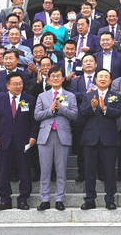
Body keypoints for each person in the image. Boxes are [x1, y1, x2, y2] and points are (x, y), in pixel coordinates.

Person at [0, 72, 37, 211]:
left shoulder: (30, 99)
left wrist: (33, 136)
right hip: (4, 141)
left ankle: (23, 199)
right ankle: (5, 200)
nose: (18, 86)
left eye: (20, 83)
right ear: (7, 85)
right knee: (3, 172)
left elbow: (34, 122)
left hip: (24, 142)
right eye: (15, 84)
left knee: (24, 172)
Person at [34, 67, 79, 211]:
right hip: (45, 136)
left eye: (58, 76)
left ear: (63, 78)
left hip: (62, 135)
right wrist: (51, 110)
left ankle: (60, 199)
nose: (55, 78)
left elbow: (74, 115)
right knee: (45, 170)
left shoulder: (70, 96)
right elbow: (37, 116)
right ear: (48, 79)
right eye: (52, 76)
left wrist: (61, 109)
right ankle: (45, 199)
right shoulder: (42, 96)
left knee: (61, 170)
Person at [78, 69, 121, 211]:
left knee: (109, 171)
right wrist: (92, 107)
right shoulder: (88, 95)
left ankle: (110, 199)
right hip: (90, 139)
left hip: (109, 139)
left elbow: (118, 113)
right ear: (96, 80)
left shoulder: (115, 96)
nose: (103, 79)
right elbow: (82, 113)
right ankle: (90, 200)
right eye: (100, 77)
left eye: (106, 77)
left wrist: (104, 108)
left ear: (110, 81)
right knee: (89, 171)